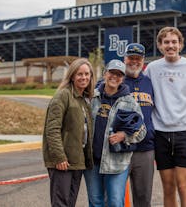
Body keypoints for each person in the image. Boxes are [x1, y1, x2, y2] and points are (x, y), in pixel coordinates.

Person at [144, 26, 186, 207]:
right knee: (168, 187)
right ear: (160, 46)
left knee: (184, 186)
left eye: (174, 42)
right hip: (161, 133)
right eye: (166, 42)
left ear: (181, 45)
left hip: (185, 132)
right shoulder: (152, 69)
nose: (170, 46)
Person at [84, 59, 146, 207]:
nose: (115, 77)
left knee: (115, 202)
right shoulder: (92, 97)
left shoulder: (130, 102)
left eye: (119, 74)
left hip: (116, 163)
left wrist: (124, 135)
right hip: (92, 161)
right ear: (105, 74)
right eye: (112, 72)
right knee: (95, 202)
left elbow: (142, 130)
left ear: (123, 78)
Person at [42, 58, 95, 207]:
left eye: (86, 74)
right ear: (72, 76)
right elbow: (52, 129)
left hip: (77, 161)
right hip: (62, 162)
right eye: (79, 74)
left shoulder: (84, 99)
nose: (83, 77)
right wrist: (59, 157)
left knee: (70, 202)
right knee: (61, 203)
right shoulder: (63, 96)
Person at [123, 43, 155, 207]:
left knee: (143, 199)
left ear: (143, 61)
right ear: (125, 59)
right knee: (115, 198)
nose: (134, 62)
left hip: (145, 149)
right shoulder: (116, 79)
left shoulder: (149, 83)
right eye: (131, 58)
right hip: (120, 149)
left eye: (138, 59)